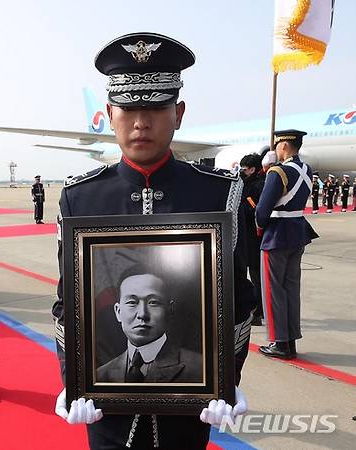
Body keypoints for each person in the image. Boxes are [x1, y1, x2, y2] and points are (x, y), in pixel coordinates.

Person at [52, 33, 253, 449]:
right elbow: (68, 303)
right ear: (110, 113)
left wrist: (225, 378)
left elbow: (239, 301)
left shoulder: (221, 194)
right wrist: (71, 378)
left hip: (189, 408)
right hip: (107, 412)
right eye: (128, 109)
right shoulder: (81, 197)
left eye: (156, 108)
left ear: (178, 113)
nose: (141, 122)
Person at [256, 130, 318, 359]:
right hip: (298, 230)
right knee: (291, 288)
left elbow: (263, 209)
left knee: (273, 290)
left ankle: (279, 342)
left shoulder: (278, 171)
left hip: (277, 233)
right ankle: (290, 340)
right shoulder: (306, 169)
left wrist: (259, 227)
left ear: (283, 145)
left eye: (277, 145)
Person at [97, 267, 202, 384]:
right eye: (132, 302)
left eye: (153, 302)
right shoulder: (101, 376)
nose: (142, 314)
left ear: (169, 310)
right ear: (118, 312)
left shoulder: (200, 369)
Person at [239, 153, 265, 326]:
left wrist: (243, 205)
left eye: (245, 169)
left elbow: (258, 212)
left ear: (253, 169)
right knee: (241, 273)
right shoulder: (242, 184)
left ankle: (259, 311)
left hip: (254, 237)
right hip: (242, 235)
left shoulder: (259, 186)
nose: (241, 171)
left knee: (256, 276)